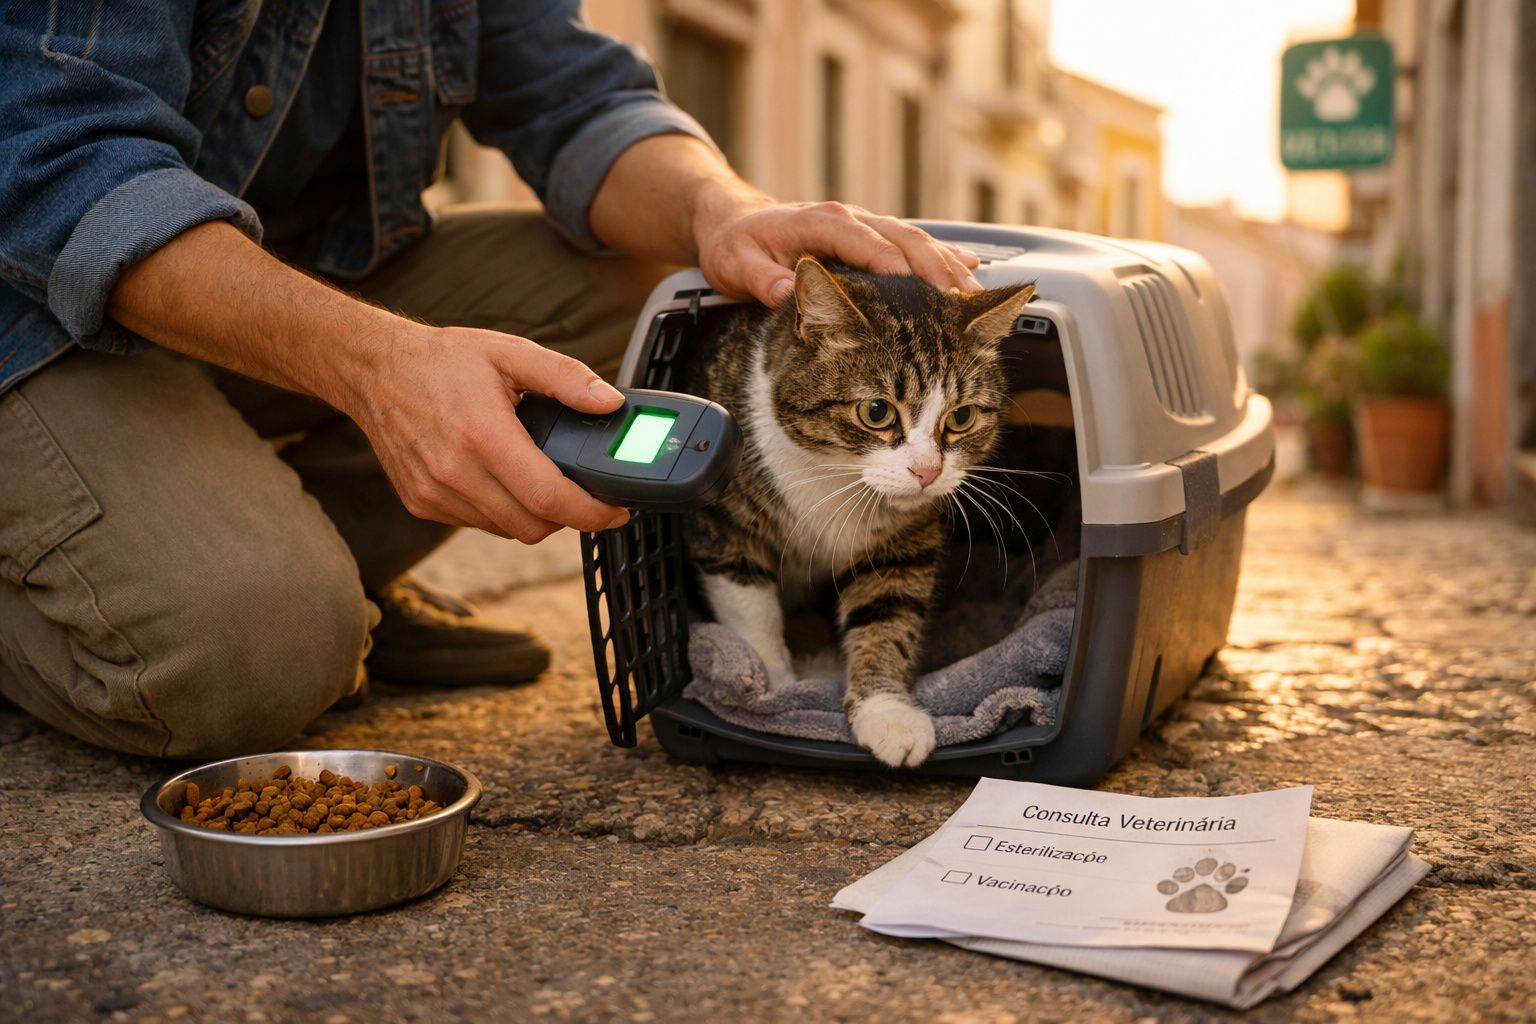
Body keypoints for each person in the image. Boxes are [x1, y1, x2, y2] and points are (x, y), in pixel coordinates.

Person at [0, 1, 982, 760]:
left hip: (305, 273)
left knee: (664, 288)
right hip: (37, 310)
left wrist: (721, 211)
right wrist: (379, 366)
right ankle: (219, 593)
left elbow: (577, 98)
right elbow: (62, 164)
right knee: (254, 656)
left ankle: (314, 573)